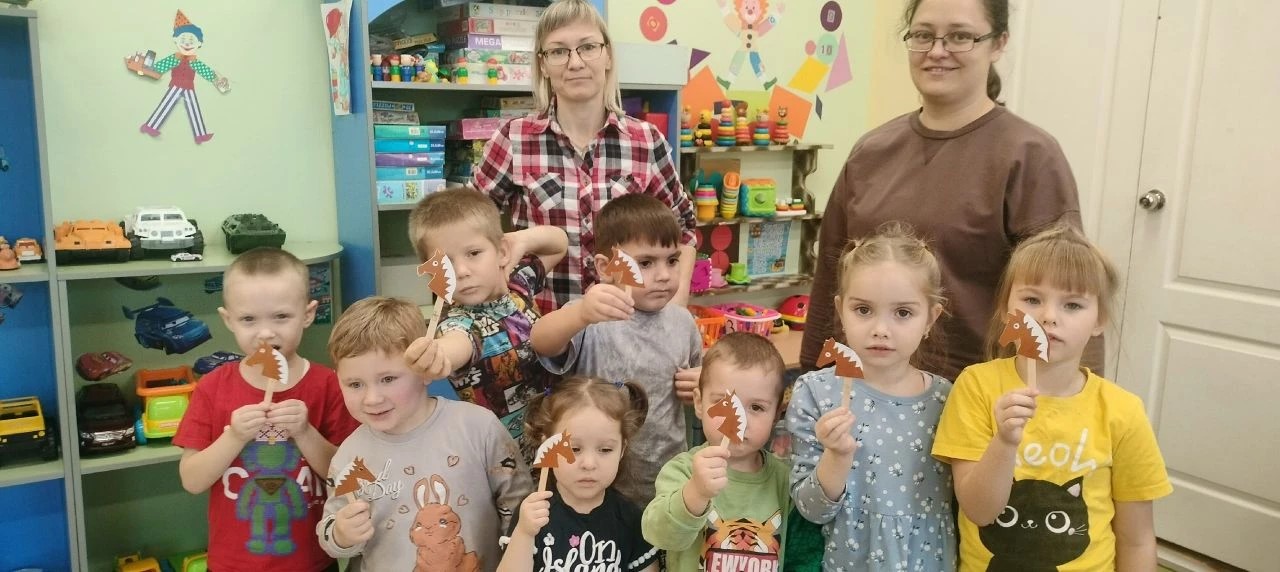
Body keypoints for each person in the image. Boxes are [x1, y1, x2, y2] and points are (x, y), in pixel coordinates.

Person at [802, 0, 1090, 381]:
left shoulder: (1030, 156)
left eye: (959, 36)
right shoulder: (870, 152)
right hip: (866, 394)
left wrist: (1077, 402)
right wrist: (812, 380)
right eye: (923, 35)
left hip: (978, 398)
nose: (937, 51)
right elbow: (830, 276)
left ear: (998, 43)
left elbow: (1071, 294)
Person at [933, 225, 1171, 571]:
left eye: (1072, 304)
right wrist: (1004, 442)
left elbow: (1137, 539)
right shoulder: (976, 386)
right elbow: (979, 511)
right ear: (1006, 311)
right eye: (1032, 300)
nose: (1048, 317)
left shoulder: (1122, 411)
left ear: (1099, 320)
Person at [472, 0, 697, 314]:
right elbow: (467, 227)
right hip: (540, 329)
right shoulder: (514, 138)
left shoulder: (646, 141)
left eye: (588, 47)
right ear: (543, 65)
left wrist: (675, 309)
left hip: (627, 329)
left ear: (607, 56)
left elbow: (683, 229)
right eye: (558, 51)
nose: (575, 63)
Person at [174, 247, 359, 572]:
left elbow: (347, 477)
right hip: (233, 565)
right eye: (249, 319)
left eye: (281, 316)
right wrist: (234, 437)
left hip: (312, 562)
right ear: (228, 320)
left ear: (308, 314)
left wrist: (305, 432)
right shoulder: (212, 388)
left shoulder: (329, 385)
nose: (265, 332)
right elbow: (192, 480)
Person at [786, 223, 957, 570]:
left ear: (930, 318)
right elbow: (810, 510)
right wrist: (837, 457)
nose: (880, 329)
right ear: (841, 310)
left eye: (903, 313)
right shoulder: (815, 393)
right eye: (863, 310)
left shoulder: (948, 399)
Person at [317, 296, 533, 571]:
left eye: (388, 379)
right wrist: (341, 535)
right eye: (355, 384)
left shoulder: (478, 428)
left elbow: (518, 504)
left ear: (425, 371)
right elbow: (330, 530)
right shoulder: (349, 457)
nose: (372, 398)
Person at [531, 193, 703, 505]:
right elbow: (540, 341)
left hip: (667, 479)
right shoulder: (591, 317)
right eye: (646, 263)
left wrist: (700, 384)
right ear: (606, 267)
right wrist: (581, 314)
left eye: (672, 260)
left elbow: (698, 384)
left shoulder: (683, 322)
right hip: (595, 485)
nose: (664, 275)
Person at [403, 188, 568, 444]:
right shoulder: (458, 322)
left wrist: (519, 240)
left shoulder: (518, 281)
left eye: (473, 253)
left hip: (555, 438)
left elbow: (558, 243)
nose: (461, 271)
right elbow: (456, 343)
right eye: (444, 263)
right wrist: (437, 355)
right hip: (504, 456)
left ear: (502, 252)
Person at [642, 332, 792, 571]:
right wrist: (696, 493)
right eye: (724, 403)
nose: (739, 421)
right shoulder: (682, 470)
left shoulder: (785, 480)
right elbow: (660, 536)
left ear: (776, 415)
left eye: (756, 407)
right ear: (699, 403)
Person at [498, 376, 659, 572]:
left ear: (622, 450)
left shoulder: (630, 518)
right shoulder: (532, 513)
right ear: (547, 445)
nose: (589, 464)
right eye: (574, 449)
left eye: (605, 450)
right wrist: (524, 533)